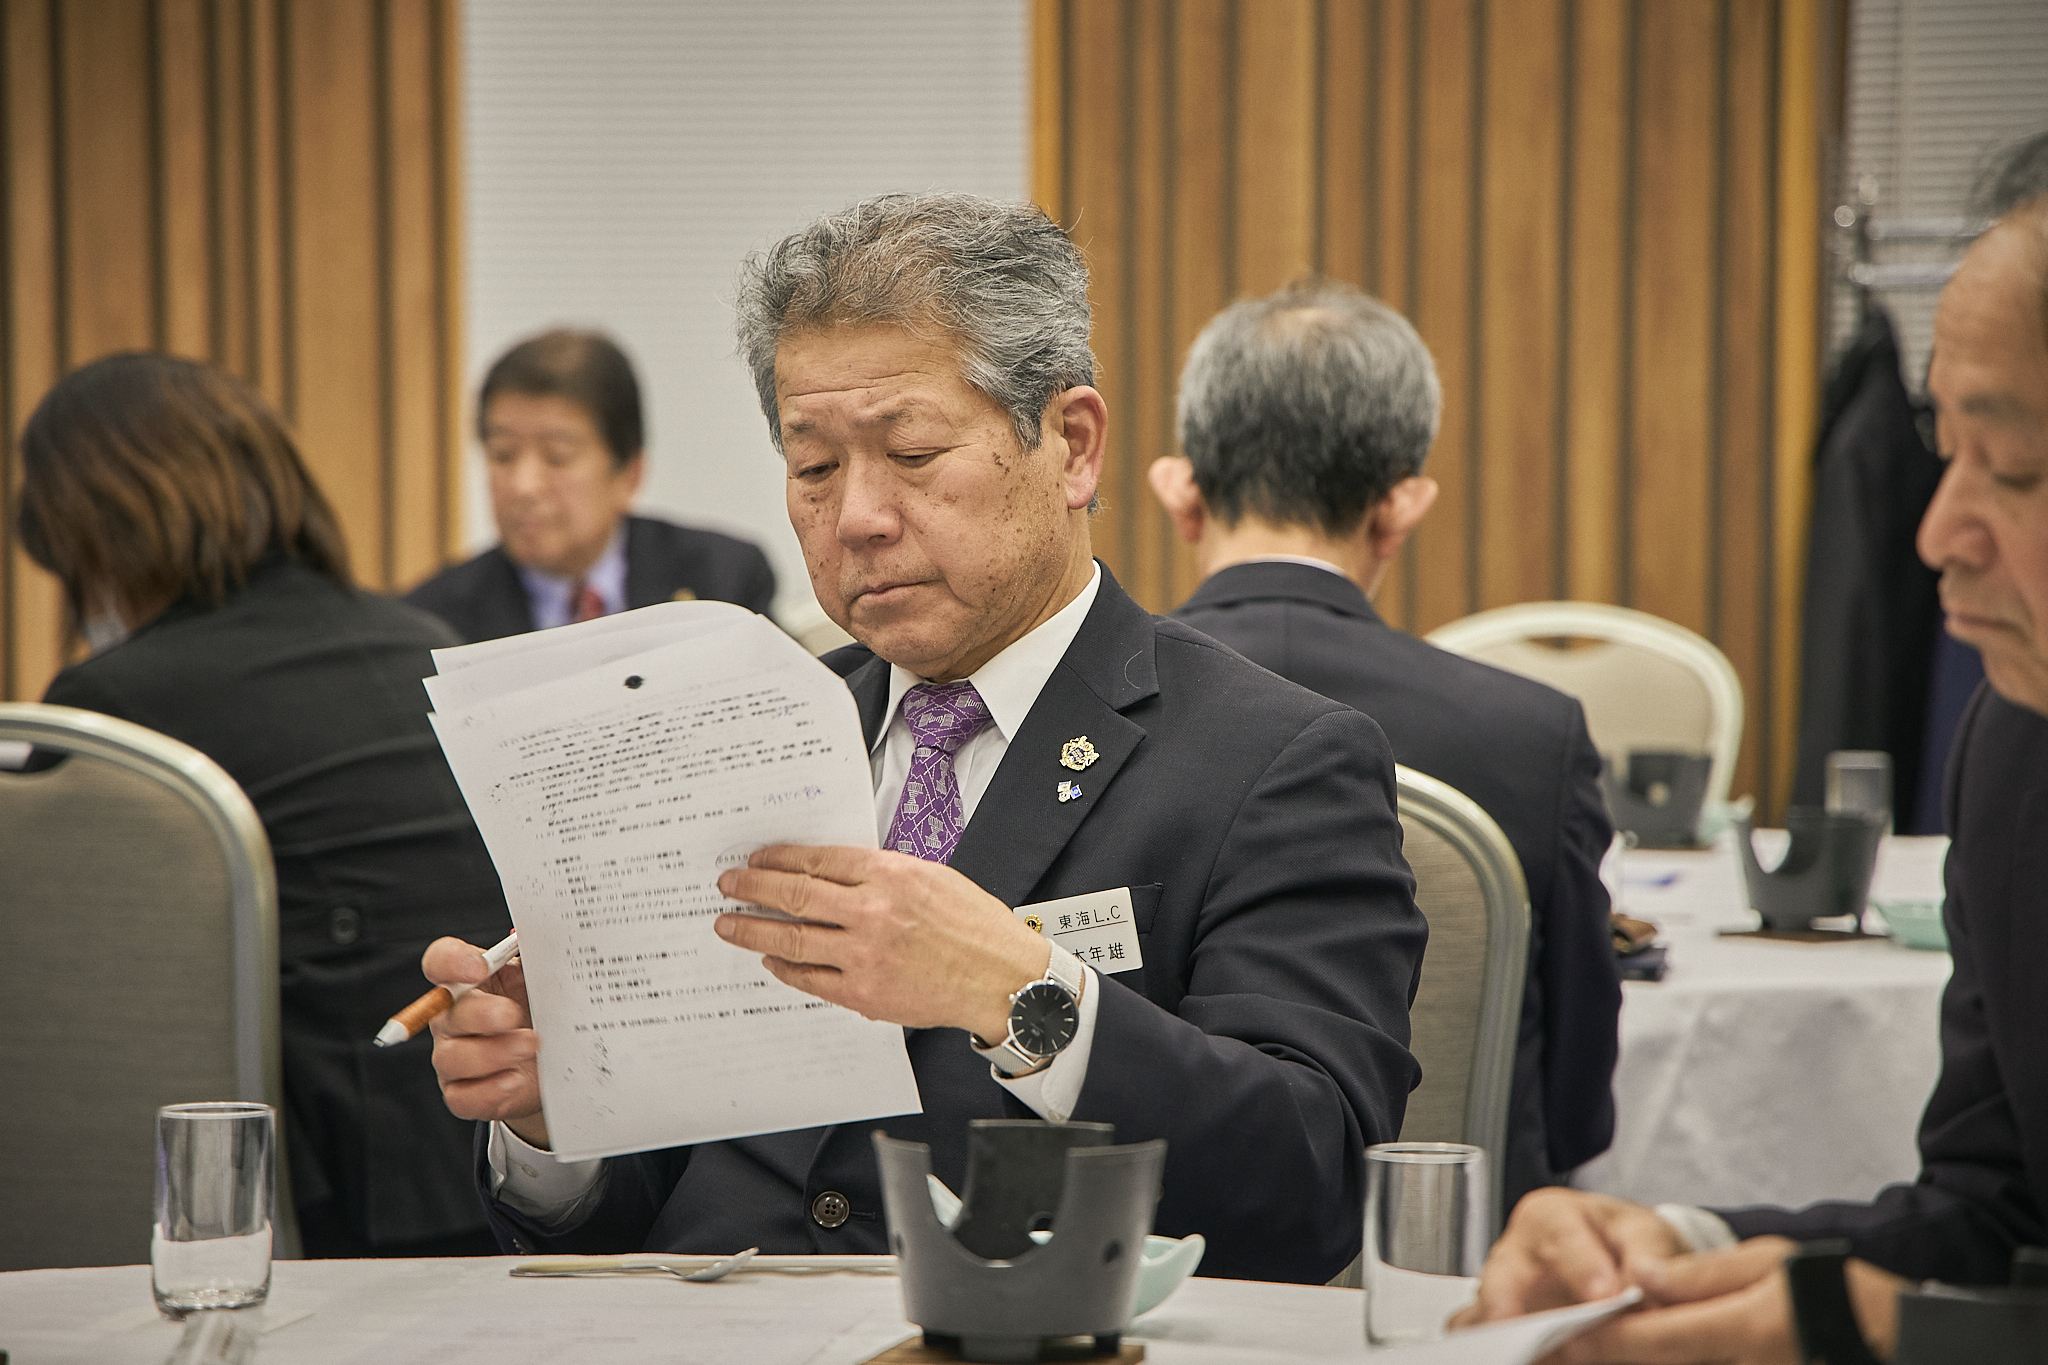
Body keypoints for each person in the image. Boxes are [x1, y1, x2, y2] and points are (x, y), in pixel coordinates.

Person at [422, 193, 1428, 1284]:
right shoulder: (738, 736)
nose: (856, 515)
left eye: (910, 452)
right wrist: (548, 1115)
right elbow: (652, 1196)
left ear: (1071, 447)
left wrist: (1020, 992)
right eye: (813, 469)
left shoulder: (1270, 759)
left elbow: (1310, 1183)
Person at [1452, 181, 2048, 1360]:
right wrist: (1679, 1242)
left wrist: (1880, 1330)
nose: (1937, 532)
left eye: (2016, 471)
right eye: (1942, 448)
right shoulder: (2012, 756)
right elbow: (1996, 1219)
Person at [16, 354, 511, 1257]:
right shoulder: (428, 643)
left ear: (89, 531)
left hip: (312, 1202)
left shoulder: (117, 705)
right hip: (504, 1153)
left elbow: (67, 975)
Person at [1151, 279, 1620, 1209]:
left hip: (1155, 1279)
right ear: (1400, 508)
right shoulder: (1535, 736)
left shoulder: (1076, 725)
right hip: (1459, 1279)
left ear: (1183, 494)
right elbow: (1575, 1114)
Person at [406, 329, 776, 641]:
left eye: (557, 457)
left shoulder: (721, 580)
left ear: (629, 476)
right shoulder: (432, 622)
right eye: (502, 455)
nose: (523, 486)